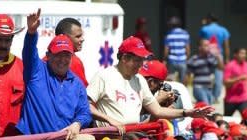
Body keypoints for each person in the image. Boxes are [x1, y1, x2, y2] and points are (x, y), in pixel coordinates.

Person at [87, 36, 215, 132]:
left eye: (142, 60)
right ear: (124, 58)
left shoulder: (139, 80)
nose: (141, 65)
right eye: (138, 60)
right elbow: (86, 106)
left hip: (133, 135)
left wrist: (189, 113)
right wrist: (110, 120)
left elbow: (157, 111)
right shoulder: (103, 76)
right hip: (109, 138)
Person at [15, 9, 91, 139]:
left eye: (66, 55)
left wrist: (78, 124)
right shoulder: (36, 71)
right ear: (48, 55)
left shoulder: (77, 83)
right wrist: (31, 33)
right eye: (58, 55)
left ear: (72, 57)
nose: (62, 60)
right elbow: (29, 51)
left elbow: (85, 112)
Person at [200, 13, 230, 102]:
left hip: (207, 55)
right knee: (218, 77)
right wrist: (227, 58)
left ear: (209, 19)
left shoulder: (204, 29)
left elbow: (201, 42)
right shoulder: (223, 30)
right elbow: (226, 45)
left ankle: (207, 95)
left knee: (205, 76)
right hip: (218, 55)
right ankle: (215, 97)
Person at [187, 39, 224, 105]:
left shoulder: (211, 58)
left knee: (208, 106)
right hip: (198, 87)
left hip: (208, 88)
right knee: (206, 105)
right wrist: (185, 87)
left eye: (208, 45)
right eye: (206, 45)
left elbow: (221, 68)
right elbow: (188, 74)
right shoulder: (194, 59)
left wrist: (218, 56)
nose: (208, 47)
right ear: (200, 47)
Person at [52, 17, 88, 86]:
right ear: (64, 37)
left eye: (81, 36)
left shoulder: (47, 58)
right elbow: (82, 90)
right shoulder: (73, 61)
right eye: (78, 36)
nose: (82, 39)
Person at [163, 16, 190, 83]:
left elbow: (166, 50)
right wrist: (187, 59)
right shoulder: (185, 33)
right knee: (183, 82)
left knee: (171, 81)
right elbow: (188, 49)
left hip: (172, 60)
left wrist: (165, 60)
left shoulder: (168, 34)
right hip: (183, 59)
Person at [223, 48, 247, 116]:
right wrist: (239, 78)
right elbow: (225, 82)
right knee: (227, 120)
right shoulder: (230, 65)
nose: (244, 55)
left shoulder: (246, 65)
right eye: (241, 53)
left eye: (245, 53)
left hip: (243, 99)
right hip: (231, 99)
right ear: (235, 55)